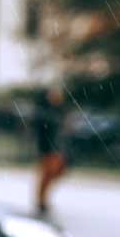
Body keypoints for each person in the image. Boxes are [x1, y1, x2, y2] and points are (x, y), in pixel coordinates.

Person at [33, 84, 69, 215]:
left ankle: (42, 199)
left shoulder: (60, 111)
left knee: (55, 173)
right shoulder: (45, 112)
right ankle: (41, 200)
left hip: (57, 148)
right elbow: (42, 131)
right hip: (48, 148)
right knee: (47, 174)